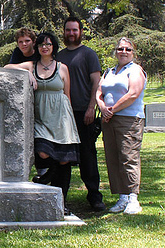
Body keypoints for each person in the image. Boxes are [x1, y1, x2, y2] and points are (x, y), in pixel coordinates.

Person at [5, 32, 80, 214]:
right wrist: (26, 73)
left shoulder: (62, 68)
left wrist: (70, 121)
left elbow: (67, 95)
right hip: (41, 118)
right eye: (40, 45)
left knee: (63, 161)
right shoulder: (31, 65)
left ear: (53, 46)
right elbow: (7, 66)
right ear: (37, 48)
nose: (44, 47)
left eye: (47, 44)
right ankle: (44, 180)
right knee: (43, 152)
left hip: (61, 118)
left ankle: (60, 203)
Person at [57, 16, 106, 212]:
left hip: (83, 113)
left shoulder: (88, 54)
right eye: (68, 30)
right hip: (63, 115)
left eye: (74, 30)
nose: (71, 33)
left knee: (88, 156)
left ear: (80, 32)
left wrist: (90, 108)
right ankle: (60, 197)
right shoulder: (58, 56)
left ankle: (95, 197)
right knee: (63, 157)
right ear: (64, 32)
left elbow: (96, 82)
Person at [96, 37, 146, 214]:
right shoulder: (109, 71)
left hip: (129, 119)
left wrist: (112, 110)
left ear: (133, 53)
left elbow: (133, 94)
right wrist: (102, 107)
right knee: (113, 157)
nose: (123, 52)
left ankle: (133, 198)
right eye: (120, 49)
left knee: (128, 157)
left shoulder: (135, 70)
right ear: (115, 51)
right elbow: (99, 91)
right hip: (109, 120)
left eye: (127, 49)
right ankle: (122, 197)